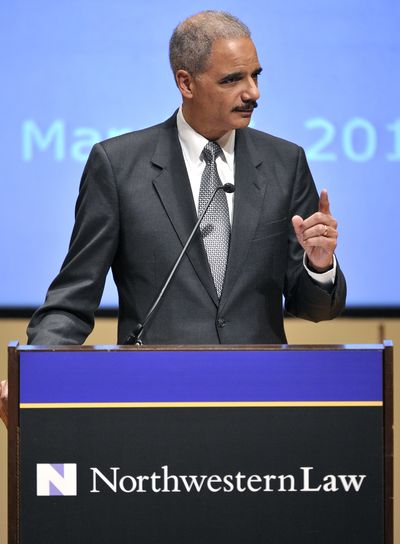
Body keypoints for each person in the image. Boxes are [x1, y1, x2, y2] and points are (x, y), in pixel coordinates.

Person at [0, 11, 346, 426]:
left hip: (261, 402)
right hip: (154, 406)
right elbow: (72, 300)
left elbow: (315, 309)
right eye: (232, 79)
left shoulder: (284, 163)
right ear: (186, 83)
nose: (253, 92)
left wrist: (319, 265)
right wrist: (34, 374)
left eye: (256, 75)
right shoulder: (119, 166)